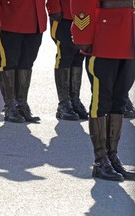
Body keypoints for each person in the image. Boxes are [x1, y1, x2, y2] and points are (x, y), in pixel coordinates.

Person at [71, 0, 135, 181]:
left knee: (120, 101)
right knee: (102, 102)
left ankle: (112, 157)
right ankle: (100, 161)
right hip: (105, 39)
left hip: (129, 41)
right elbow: (82, 3)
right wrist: (83, 36)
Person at [0, 0, 47, 123]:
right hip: (11, 15)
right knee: (9, 63)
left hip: (35, 18)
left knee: (27, 63)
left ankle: (21, 103)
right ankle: (10, 105)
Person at [47, 0, 88, 121]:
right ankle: (64, 103)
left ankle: (74, 99)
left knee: (79, 55)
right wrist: (53, 7)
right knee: (65, 55)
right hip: (63, 13)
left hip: (83, 13)